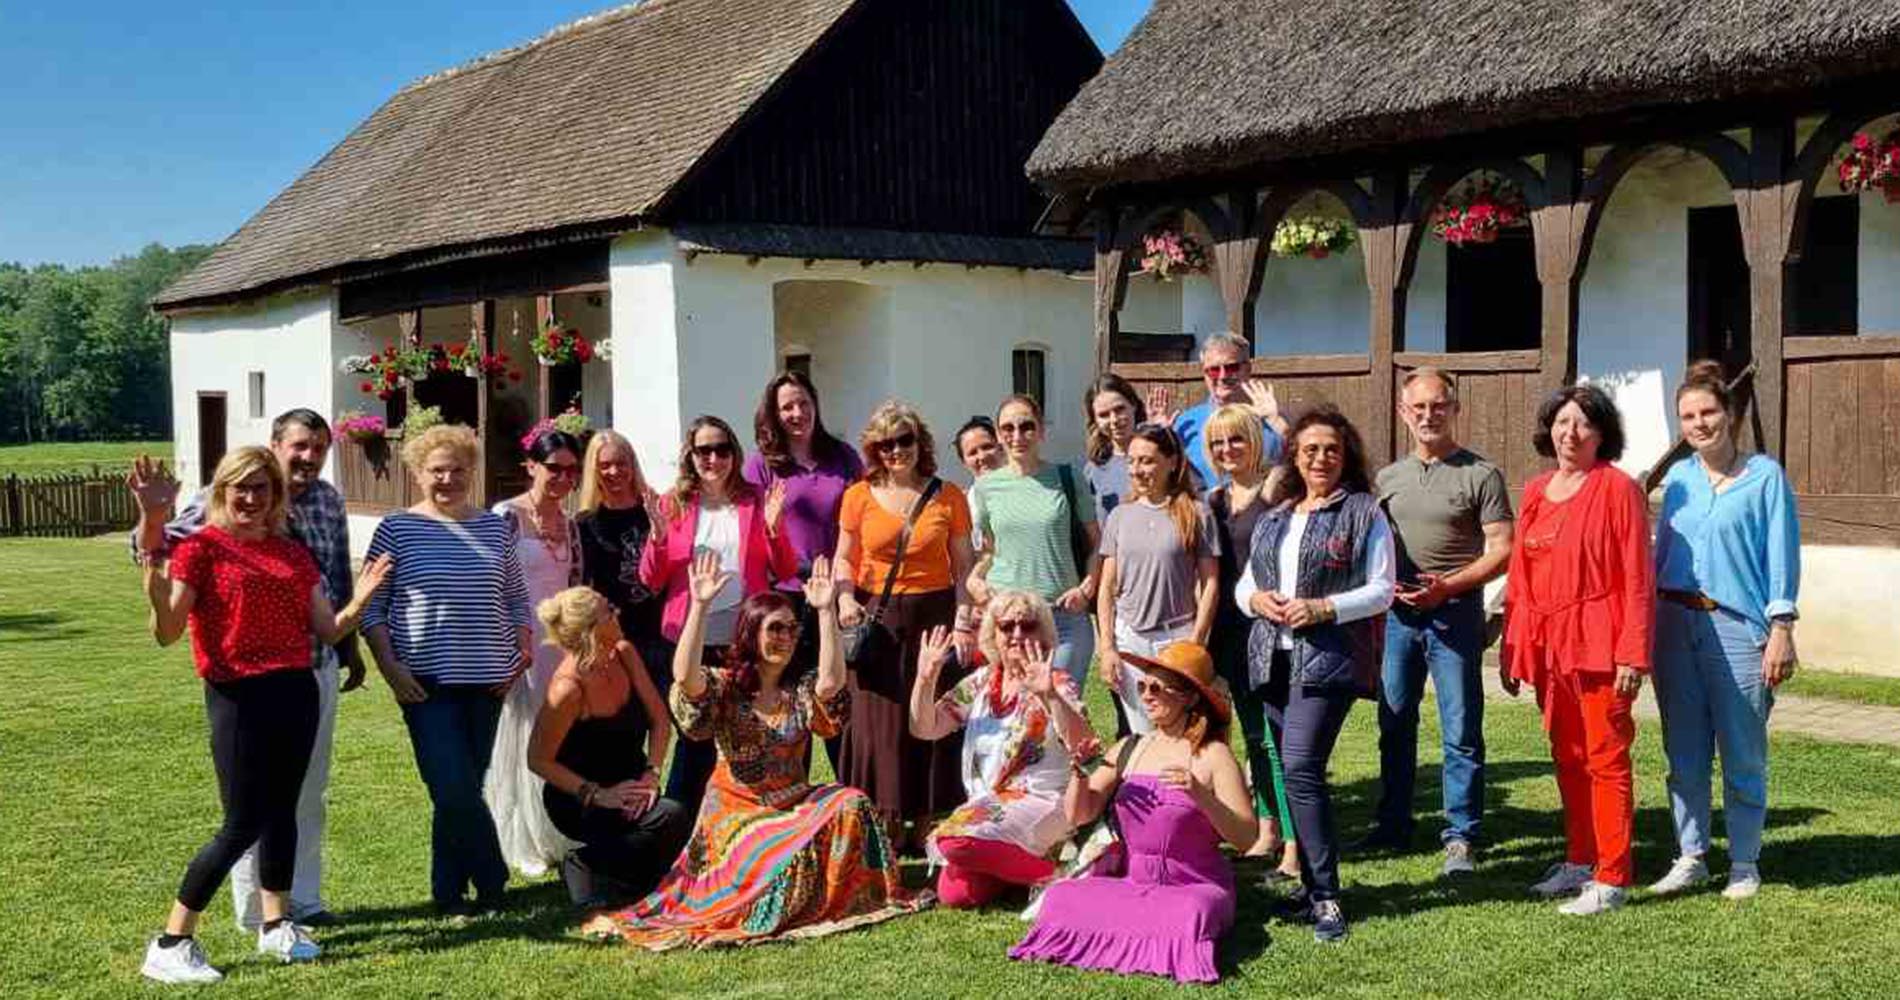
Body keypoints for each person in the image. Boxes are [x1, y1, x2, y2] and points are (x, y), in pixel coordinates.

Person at [127, 447, 391, 983]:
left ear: (275, 496)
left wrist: (361, 599)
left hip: (296, 691)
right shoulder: (201, 549)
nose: (250, 498)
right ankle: (171, 942)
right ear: (222, 491)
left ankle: (277, 924)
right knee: (241, 823)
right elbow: (168, 632)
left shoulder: (292, 553)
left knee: (282, 813)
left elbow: (328, 630)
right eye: (240, 488)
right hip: (238, 696)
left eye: (261, 488)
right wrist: (153, 547)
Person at [585, 553, 927, 947]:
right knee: (769, 851)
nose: (786, 637)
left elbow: (831, 684)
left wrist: (824, 612)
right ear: (751, 633)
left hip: (793, 802)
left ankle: (830, 894)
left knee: (851, 802)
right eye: (775, 629)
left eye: (792, 629)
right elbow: (685, 678)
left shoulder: (799, 690)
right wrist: (699, 606)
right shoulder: (726, 686)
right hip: (737, 810)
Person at [1236, 406, 1396, 942]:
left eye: (1331, 449)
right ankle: (1309, 889)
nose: (1320, 459)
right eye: (1310, 450)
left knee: (1302, 768)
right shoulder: (1277, 516)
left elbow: (1382, 589)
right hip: (1273, 658)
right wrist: (1256, 600)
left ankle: (1327, 896)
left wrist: (1324, 608)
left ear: (1346, 455)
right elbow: (1244, 584)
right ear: (1294, 456)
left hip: (1327, 659)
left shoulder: (1365, 512)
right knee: (1293, 773)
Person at [361, 423, 534, 918]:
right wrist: (389, 667)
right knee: (452, 787)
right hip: (424, 682)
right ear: (418, 474)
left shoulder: (495, 528)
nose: (448, 479)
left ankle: (449, 892)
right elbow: (372, 607)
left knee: (460, 791)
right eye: (437, 470)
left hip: (489, 678)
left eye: (458, 470)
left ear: (471, 472)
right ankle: (493, 882)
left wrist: (521, 651)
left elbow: (516, 597)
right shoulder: (396, 528)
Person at [1010, 643, 1251, 985]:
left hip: (1195, 888)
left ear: (1190, 698)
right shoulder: (1130, 747)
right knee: (1061, 896)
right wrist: (1079, 774)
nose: (1146, 695)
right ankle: (1147, 932)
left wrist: (1200, 795)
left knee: (1193, 913)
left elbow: (1246, 838)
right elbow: (1080, 814)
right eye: (1142, 685)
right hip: (1134, 885)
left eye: (1157, 688)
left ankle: (1145, 933)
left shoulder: (1214, 755)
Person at [1648, 361, 1800, 902]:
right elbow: (1660, 556)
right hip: (1673, 624)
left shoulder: (1765, 477)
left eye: (1708, 412)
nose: (1699, 423)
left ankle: (1743, 861)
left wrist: (1781, 626)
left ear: (1729, 414)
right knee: (1684, 752)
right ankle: (1690, 856)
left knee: (1742, 750)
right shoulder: (1679, 482)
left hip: (1736, 627)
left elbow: (1781, 555)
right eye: (1688, 416)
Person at [1501, 384, 1654, 917]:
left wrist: (1633, 653)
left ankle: (1612, 876)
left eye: (1583, 423)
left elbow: (1637, 576)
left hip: (1600, 644)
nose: (1571, 433)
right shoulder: (1536, 490)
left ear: (1601, 433)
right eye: (1562, 422)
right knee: (1567, 755)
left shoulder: (1617, 489)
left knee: (1605, 758)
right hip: (1550, 646)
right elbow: (1520, 574)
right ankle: (1579, 858)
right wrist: (1513, 645)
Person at [1360, 369, 1514, 876]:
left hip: (1455, 614)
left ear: (1454, 409)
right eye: (1419, 407)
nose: (1429, 416)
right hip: (1399, 617)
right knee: (1394, 722)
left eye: (1439, 406)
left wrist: (1448, 586)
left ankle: (1461, 834)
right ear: (1404, 413)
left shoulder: (1480, 474)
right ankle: (1393, 823)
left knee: (1461, 727)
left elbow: (1503, 550)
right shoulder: (1388, 478)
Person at [835, 401, 977, 850]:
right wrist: (844, 598)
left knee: (930, 714)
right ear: (874, 450)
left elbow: (964, 566)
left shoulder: (948, 496)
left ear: (920, 442)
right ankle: (885, 818)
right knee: (878, 724)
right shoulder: (858, 496)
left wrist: (964, 621)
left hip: (933, 618)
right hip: (876, 620)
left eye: (904, 440)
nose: (896, 450)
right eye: (886, 443)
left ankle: (929, 816)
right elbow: (844, 558)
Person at [641, 416, 797, 817]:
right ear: (690, 456)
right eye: (704, 450)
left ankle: (745, 819)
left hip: (742, 640)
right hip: (691, 638)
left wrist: (775, 529)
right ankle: (680, 821)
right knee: (694, 736)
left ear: (734, 453)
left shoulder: (756, 499)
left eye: (722, 449)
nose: (713, 458)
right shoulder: (673, 504)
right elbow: (651, 579)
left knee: (743, 735)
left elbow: (784, 569)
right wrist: (658, 538)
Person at [908, 591, 1096, 908]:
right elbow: (924, 728)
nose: (1017, 634)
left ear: (1043, 633)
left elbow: (1086, 746)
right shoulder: (981, 682)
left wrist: (1049, 696)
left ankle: (1056, 877)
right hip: (990, 804)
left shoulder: (1057, 682)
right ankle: (1020, 866)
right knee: (956, 893)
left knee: (952, 842)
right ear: (993, 634)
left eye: (1028, 625)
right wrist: (925, 680)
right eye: (1007, 626)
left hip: (1042, 800)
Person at [528, 586, 691, 908]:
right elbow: (538, 759)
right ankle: (585, 864)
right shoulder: (567, 688)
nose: (618, 613)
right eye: (609, 611)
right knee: (643, 835)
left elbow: (660, 720)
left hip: (632, 783)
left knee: (674, 817)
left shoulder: (624, 653)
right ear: (591, 630)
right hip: (580, 797)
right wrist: (599, 794)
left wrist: (651, 775)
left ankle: (607, 871)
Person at [744, 370, 863, 768]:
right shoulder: (762, 466)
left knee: (834, 694)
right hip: (785, 595)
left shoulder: (843, 457)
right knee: (790, 697)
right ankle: (792, 785)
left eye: (804, 403)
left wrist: (846, 591)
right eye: (787, 407)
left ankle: (848, 785)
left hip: (836, 591)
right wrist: (769, 525)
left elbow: (862, 518)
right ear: (774, 414)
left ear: (815, 405)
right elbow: (750, 534)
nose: (797, 413)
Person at [1204, 404, 1303, 882]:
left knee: (1279, 741)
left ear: (1254, 440)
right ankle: (1266, 830)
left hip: (1267, 629)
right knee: (1253, 739)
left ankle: (1294, 845)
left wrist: (1276, 419)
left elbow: (1305, 451)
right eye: (1218, 442)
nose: (1227, 450)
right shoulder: (1214, 499)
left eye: (1236, 439)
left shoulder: (1273, 488)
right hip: (1228, 633)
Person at [486, 428, 586, 877]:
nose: (563, 477)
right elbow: (493, 583)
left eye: (571, 470)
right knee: (521, 735)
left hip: (559, 646)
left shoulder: (571, 524)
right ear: (531, 466)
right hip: (519, 639)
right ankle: (521, 836)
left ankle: (556, 828)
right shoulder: (505, 517)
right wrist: (509, 641)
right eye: (553, 468)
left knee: (557, 735)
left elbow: (574, 586)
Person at [968, 394, 1099, 689]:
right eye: (1008, 428)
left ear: (1041, 430)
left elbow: (1096, 544)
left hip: (1062, 618)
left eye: (1026, 426)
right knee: (1014, 709)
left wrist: (1086, 588)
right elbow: (988, 552)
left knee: (1060, 705)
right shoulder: (985, 488)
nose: (1017, 436)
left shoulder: (1068, 477)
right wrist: (974, 580)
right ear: (998, 435)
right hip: (1008, 623)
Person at [1097, 423, 1219, 737]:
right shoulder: (1119, 516)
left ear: (1172, 462)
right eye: (1132, 461)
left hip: (1176, 638)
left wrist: (1196, 641)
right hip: (1130, 639)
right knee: (1143, 734)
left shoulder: (1196, 513)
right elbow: (1107, 587)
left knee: (1183, 732)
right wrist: (1108, 647)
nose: (1137, 470)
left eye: (1147, 461)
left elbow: (1210, 583)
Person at [575, 429, 667, 680]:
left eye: (621, 463)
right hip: (611, 638)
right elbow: (582, 584)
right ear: (594, 470)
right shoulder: (585, 523)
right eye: (605, 465)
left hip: (659, 634)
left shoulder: (655, 511)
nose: (614, 471)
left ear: (632, 465)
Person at [1149, 333, 1288, 489]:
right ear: (1204, 374)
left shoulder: (1271, 420)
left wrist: (1278, 424)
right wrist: (1159, 438)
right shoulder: (1185, 424)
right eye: (1214, 370)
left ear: (1248, 369)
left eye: (1231, 368)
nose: (1222, 376)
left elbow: (1295, 469)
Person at [1081, 373, 1147, 523]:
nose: (1114, 420)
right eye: (1103, 415)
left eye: (1119, 409)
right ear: (1095, 421)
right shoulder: (1093, 470)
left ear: (1133, 405)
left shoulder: (1159, 457)